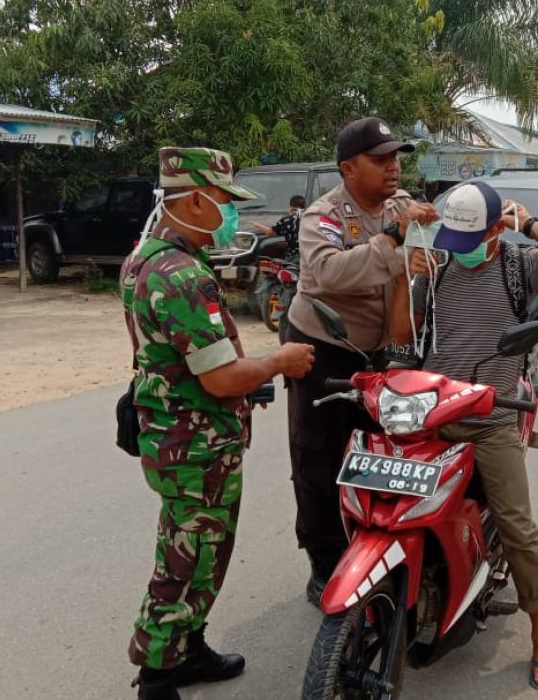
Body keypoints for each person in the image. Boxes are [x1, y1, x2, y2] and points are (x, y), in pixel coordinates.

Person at [121, 147, 316, 700]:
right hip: (195, 446)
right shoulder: (180, 274)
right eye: (226, 202)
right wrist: (280, 361)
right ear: (198, 199)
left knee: (201, 550)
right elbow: (222, 378)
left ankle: (190, 646)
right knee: (186, 557)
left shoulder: (144, 255)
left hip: (176, 435)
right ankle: (159, 675)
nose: (231, 213)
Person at [388, 181, 538, 690]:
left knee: (518, 527)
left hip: (492, 419)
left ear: (498, 229)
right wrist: (402, 275)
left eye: (471, 238)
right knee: (388, 502)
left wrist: (531, 225)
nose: (459, 250)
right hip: (431, 415)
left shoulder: (516, 266)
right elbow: (399, 334)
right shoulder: (438, 269)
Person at [283, 116, 439, 604]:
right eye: (380, 159)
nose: (393, 168)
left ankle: (377, 548)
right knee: (318, 455)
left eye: (396, 158)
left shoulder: (401, 204)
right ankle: (325, 559)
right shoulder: (324, 215)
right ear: (348, 168)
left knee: (380, 453)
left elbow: (430, 246)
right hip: (323, 349)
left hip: (381, 350)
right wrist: (394, 240)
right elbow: (326, 272)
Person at [251, 194, 306, 260]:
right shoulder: (310, 219)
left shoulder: (286, 220)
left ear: (290, 207)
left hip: (293, 257)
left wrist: (256, 224)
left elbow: (270, 232)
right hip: (308, 256)